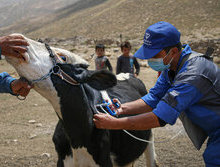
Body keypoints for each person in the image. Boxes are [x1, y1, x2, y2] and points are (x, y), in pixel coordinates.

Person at [93, 21, 220, 167]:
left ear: (172, 51)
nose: (150, 59)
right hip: (214, 129)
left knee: (214, 158)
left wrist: (115, 124)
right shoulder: (171, 67)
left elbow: (159, 117)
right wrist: (123, 109)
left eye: (154, 54)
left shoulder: (192, 74)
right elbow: (153, 98)